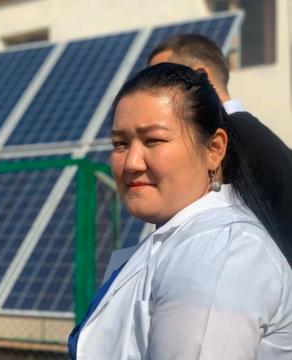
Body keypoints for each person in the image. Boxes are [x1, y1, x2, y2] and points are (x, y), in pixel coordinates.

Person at [68, 63, 292, 359]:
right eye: (120, 143)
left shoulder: (219, 252)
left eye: (153, 141)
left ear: (214, 149)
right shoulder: (181, 238)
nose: (132, 162)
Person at [147, 34, 292, 261]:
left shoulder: (235, 139)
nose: (150, 94)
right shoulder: (249, 134)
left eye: (163, 81)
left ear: (202, 77)